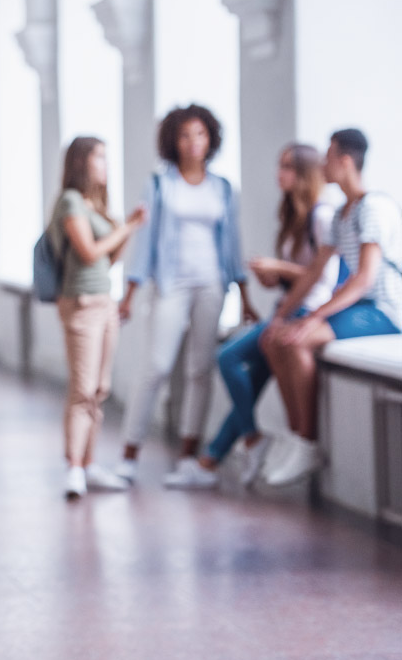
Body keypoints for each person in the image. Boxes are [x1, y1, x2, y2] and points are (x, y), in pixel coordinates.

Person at [164, 143, 340, 488]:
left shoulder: (321, 215)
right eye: (280, 164)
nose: (280, 173)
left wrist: (279, 268)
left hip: (304, 311)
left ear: (304, 173)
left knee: (229, 359)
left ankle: (253, 441)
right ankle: (216, 456)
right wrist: (272, 275)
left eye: (288, 167)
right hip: (287, 307)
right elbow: (299, 273)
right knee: (252, 379)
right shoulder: (293, 214)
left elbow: (323, 273)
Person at [115, 103, 258, 486]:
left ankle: (188, 460)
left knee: (200, 369)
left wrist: (244, 293)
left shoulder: (223, 188)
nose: (193, 142)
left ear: (210, 138)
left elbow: (232, 243)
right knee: (157, 366)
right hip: (171, 282)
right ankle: (129, 455)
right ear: (172, 141)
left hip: (212, 283)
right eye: (184, 135)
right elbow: (145, 242)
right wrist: (129, 293)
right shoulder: (162, 185)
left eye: (199, 134)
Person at [261, 129, 402, 486]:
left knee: (298, 339)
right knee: (274, 338)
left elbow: (365, 279)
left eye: (328, 157)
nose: (322, 165)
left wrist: (313, 317)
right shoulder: (342, 214)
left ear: (345, 161)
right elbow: (313, 273)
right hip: (360, 306)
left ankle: (307, 442)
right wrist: (281, 315)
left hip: (384, 310)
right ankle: (297, 435)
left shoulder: (374, 207)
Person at [49, 137, 145, 498]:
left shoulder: (97, 205)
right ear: (81, 162)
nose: (105, 165)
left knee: (100, 389)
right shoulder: (71, 201)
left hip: (105, 300)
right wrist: (126, 227)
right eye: (99, 157)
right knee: (82, 388)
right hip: (81, 302)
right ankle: (73, 467)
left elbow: (109, 259)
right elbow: (89, 253)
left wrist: (125, 230)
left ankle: (88, 465)